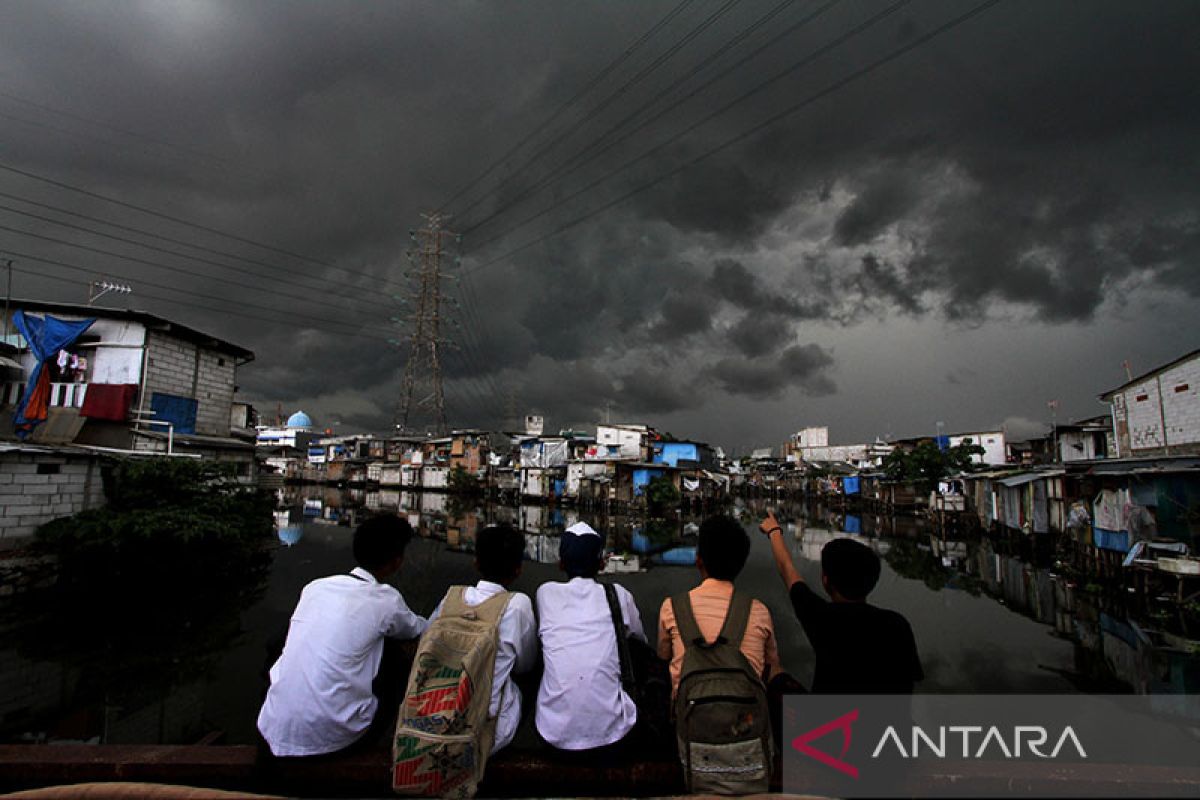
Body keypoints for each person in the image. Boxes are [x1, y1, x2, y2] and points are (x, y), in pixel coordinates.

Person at [258, 514, 428, 757]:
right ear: (397, 561)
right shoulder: (386, 599)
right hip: (334, 741)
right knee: (395, 654)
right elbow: (418, 629)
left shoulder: (315, 588)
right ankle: (394, 737)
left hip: (271, 729)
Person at [760, 510, 923, 693]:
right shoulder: (897, 624)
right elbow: (910, 683)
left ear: (826, 581)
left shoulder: (822, 617)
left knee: (774, 671)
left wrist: (774, 530)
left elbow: (786, 568)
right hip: (888, 720)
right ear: (872, 581)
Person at [535, 521, 646, 757]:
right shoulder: (619, 595)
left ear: (561, 564)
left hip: (553, 735)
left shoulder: (545, 594)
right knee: (630, 646)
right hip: (614, 735)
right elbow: (641, 642)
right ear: (602, 563)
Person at [425, 523, 537, 754]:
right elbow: (526, 664)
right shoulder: (518, 605)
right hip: (483, 733)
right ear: (519, 569)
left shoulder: (451, 597)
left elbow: (425, 638)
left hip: (434, 719)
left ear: (476, 563)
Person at [657, 514, 782, 695]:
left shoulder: (672, 608)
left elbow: (663, 660)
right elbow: (771, 667)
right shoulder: (759, 611)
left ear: (699, 560)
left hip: (688, 717)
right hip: (747, 718)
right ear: (741, 564)